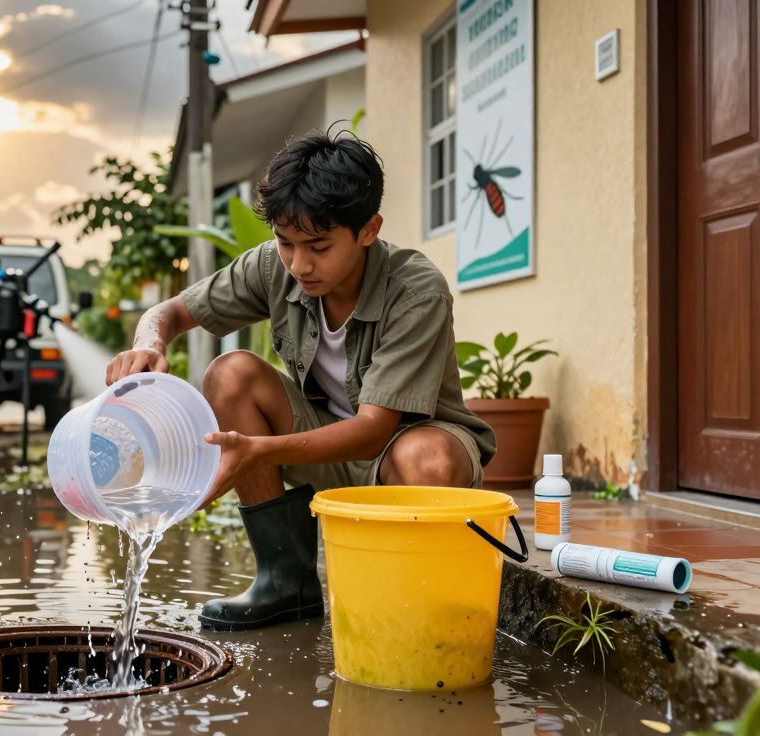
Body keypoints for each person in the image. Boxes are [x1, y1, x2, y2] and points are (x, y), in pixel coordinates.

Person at [105, 129, 495, 631]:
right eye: (286, 243)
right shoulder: (275, 266)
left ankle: (413, 600)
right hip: (324, 444)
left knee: (426, 457)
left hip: (402, 452)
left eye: (318, 246)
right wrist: (148, 342)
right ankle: (285, 581)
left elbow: (374, 430)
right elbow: (170, 312)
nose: (299, 264)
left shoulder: (416, 290)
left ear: (369, 229)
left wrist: (257, 451)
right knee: (231, 374)